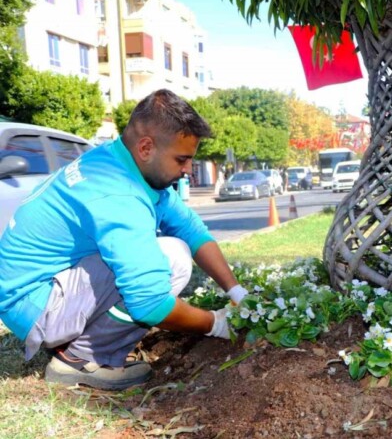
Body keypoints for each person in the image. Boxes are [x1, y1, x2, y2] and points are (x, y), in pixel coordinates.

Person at [0, 89, 248, 390]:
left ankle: (80, 339)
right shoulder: (117, 193)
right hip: (36, 308)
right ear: (146, 148)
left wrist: (236, 291)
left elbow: (191, 229)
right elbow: (150, 304)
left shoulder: (118, 162)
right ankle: (81, 357)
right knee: (173, 259)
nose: (187, 171)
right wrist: (216, 324)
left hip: (36, 291)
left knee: (174, 245)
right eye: (182, 160)